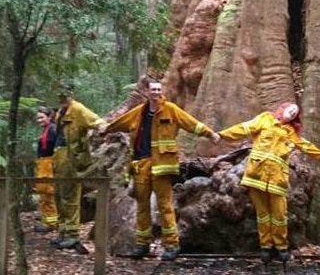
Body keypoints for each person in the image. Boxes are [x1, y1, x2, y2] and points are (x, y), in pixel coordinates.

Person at [103, 79, 220, 261]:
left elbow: (191, 123)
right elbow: (120, 122)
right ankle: (142, 244)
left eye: (159, 89)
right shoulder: (139, 112)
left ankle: (172, 245)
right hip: (141, 165)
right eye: (153, 90)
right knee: (142, 206)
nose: (156, 93)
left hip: (162, 167)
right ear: (148, 92)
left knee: (165, 206)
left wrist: (210, 133)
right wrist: (105, 129)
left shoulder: (170, 109)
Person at [217, 102, 320, 263]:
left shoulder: (291, 132)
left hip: (277, 179)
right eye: (290, 110)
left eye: (294, 113)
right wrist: (221, 135)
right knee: (262, 215)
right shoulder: (265, 119)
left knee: (279, 214)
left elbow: (305, 145)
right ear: (282, 109)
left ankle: (281, 246)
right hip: (256, 175)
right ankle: (265, 247)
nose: (291, 114)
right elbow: (244, 128)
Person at [52, 83, 104, 249]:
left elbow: (97, 121)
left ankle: (73, 234)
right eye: (60, 95)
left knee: (70, 196)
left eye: (65, 95)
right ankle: (62, 231)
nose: (62, 98)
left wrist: (104, 129)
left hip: (71, 159)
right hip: (58, 156)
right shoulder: (60, 111)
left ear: (71, 94)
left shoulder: (78, 109)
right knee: (59, 196)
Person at [34, 106, 59, 233]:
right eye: (37, 118)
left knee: (47, 194)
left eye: (41, 117)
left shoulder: (53, 130)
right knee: (43, 194)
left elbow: (56, 149)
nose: (39, 120)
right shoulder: (46, 130)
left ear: (49, 117)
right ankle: (47, 221)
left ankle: (52, 223)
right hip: (43, 164)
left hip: (48, 165)